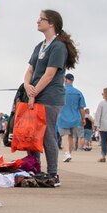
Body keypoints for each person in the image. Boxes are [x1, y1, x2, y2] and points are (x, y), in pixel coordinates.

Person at [24, 10, 79, 186]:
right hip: (34, 95)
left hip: (50, 97)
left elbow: (49, 74)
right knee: (32, 135)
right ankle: (34, 169)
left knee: (47, 134)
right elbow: (30, 69)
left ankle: (53, 173)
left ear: (52, 23)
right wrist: (26, 85)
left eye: (42, 19)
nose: (38, 21)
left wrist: (33, 92)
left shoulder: (58, 47)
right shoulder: (39, 46)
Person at [57, 74, 86, 162]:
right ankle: (69, 153)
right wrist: (83, 118)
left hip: (62, 117)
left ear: (65, 80)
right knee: (72, 136)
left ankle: (66, 153)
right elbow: (82, 108)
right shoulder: (78, 92)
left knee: (64, 136)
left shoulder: (60, 91)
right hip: (75, 117)